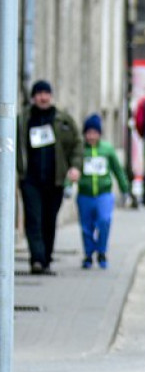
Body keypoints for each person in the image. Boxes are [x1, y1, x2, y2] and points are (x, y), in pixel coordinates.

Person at [17, 79, 83, 274]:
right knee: (33, 219)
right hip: (30, 179)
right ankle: (36, 259)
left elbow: (77, 145)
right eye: (39, 94)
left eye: (46, 94)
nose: (43, 98)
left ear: (51, 96)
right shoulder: (24, 119)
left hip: (55, 179)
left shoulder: (63, 120)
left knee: (49, 219)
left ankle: (46, 258)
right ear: (33, 97)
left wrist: (75, 167)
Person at [76, 114, 131, 270]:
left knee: (104, 221)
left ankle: (101, 251)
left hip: (103, 193)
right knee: (86, 226)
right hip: (85, 194)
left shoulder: (107, 149)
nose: (91, 136)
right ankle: (88, 253)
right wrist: (68, 184)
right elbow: (73, 169)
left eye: (95, 133)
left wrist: (125, 189)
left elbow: (117, 170)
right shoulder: (80, 150)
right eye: (88, 133)